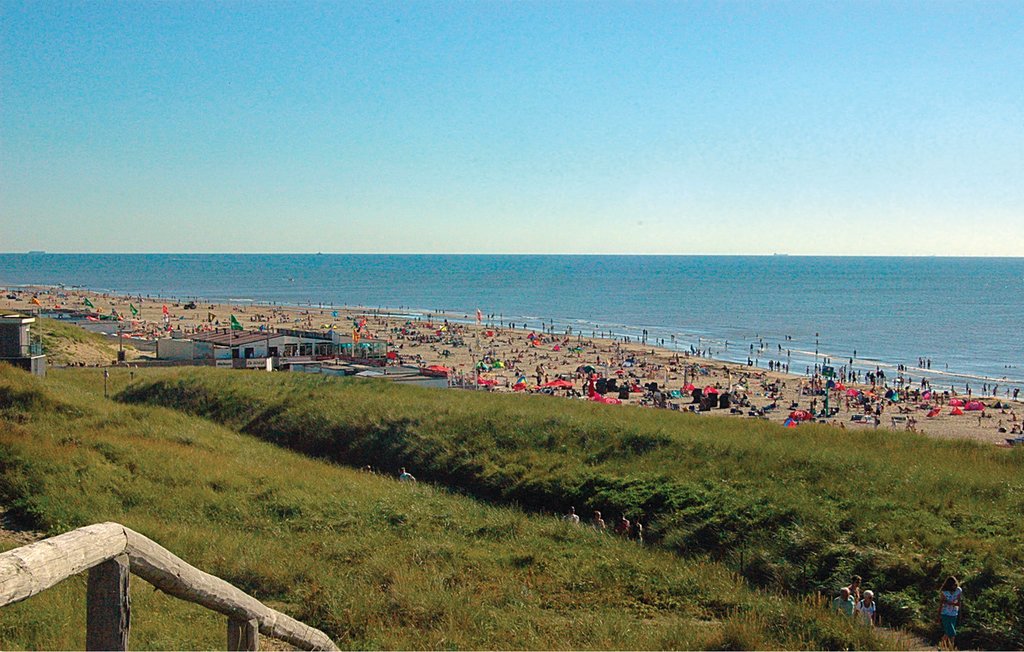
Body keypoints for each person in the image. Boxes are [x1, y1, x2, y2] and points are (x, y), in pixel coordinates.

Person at [938, 576, 963, 649]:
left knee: (948, 632)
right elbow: (941, 604)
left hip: (954, 614)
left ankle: (940, 646)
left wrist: (960, 613)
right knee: (952, 633)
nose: (955, 586)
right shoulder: (944, 592)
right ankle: (951, 648)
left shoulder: (958, 590)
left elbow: (959, 602)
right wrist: (938, 615)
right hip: (945, 614)